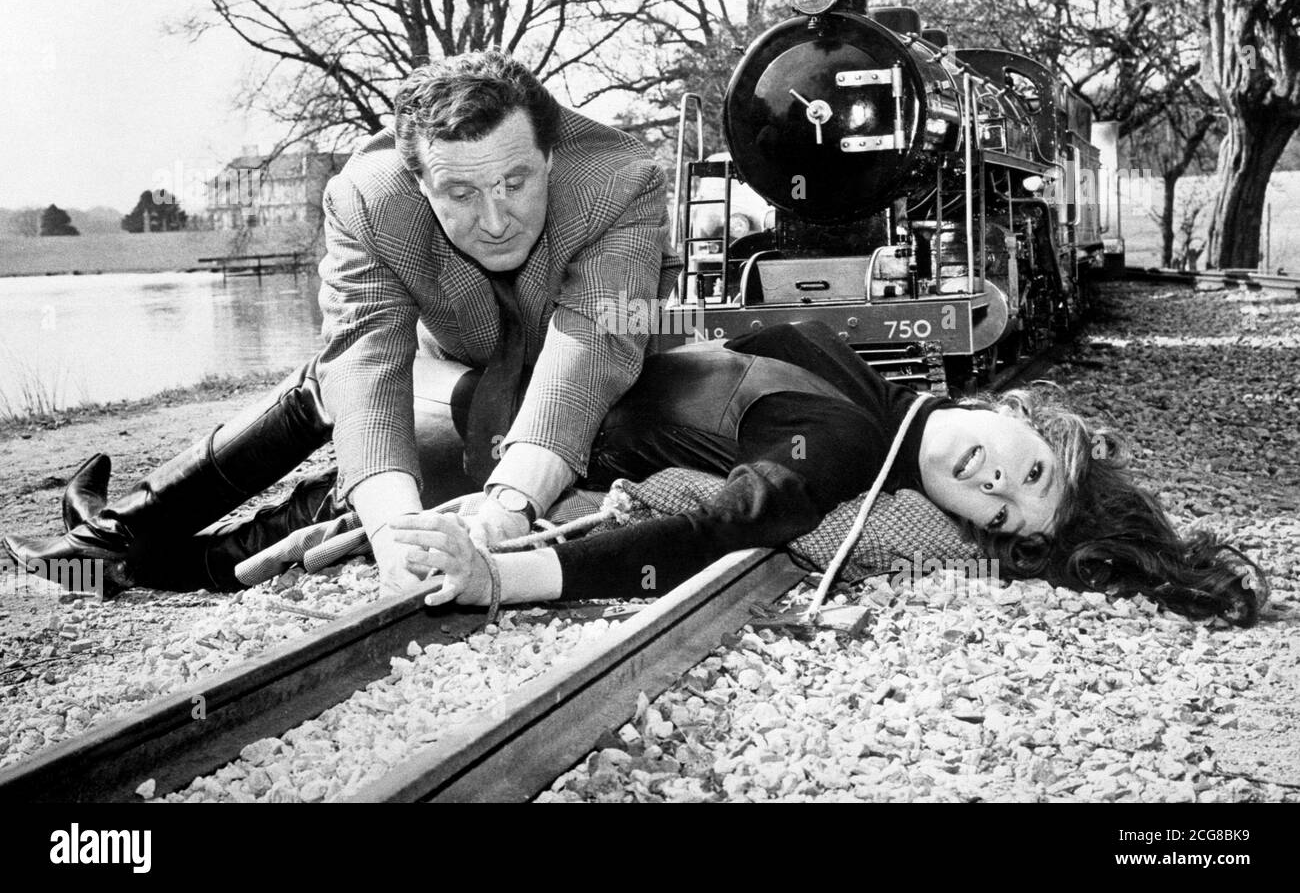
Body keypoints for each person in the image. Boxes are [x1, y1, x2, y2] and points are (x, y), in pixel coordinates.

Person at [4, 51, 680, 593]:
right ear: (419, 182)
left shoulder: (620, 181)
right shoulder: (369, 195)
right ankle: (110, 543)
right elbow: (365, 362)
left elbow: (592, 347)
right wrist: (393, 532)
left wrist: (506, 509)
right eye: (461, 193)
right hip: (450, 370)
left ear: (551, 156)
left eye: (515, 182)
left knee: (366, 491)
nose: (497, 218)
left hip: (581, 388)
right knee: (337, 389)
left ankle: (140, 561)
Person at [388, 322, 1266, 628]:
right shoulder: (867, 398)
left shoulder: (848, 443)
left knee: (309, 459)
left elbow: (710, 536)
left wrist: (500, 579)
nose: (994, 489)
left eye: (1002, 519)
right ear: (1020, 414)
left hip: (472, 434)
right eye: (1029, 470)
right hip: (492, 399)